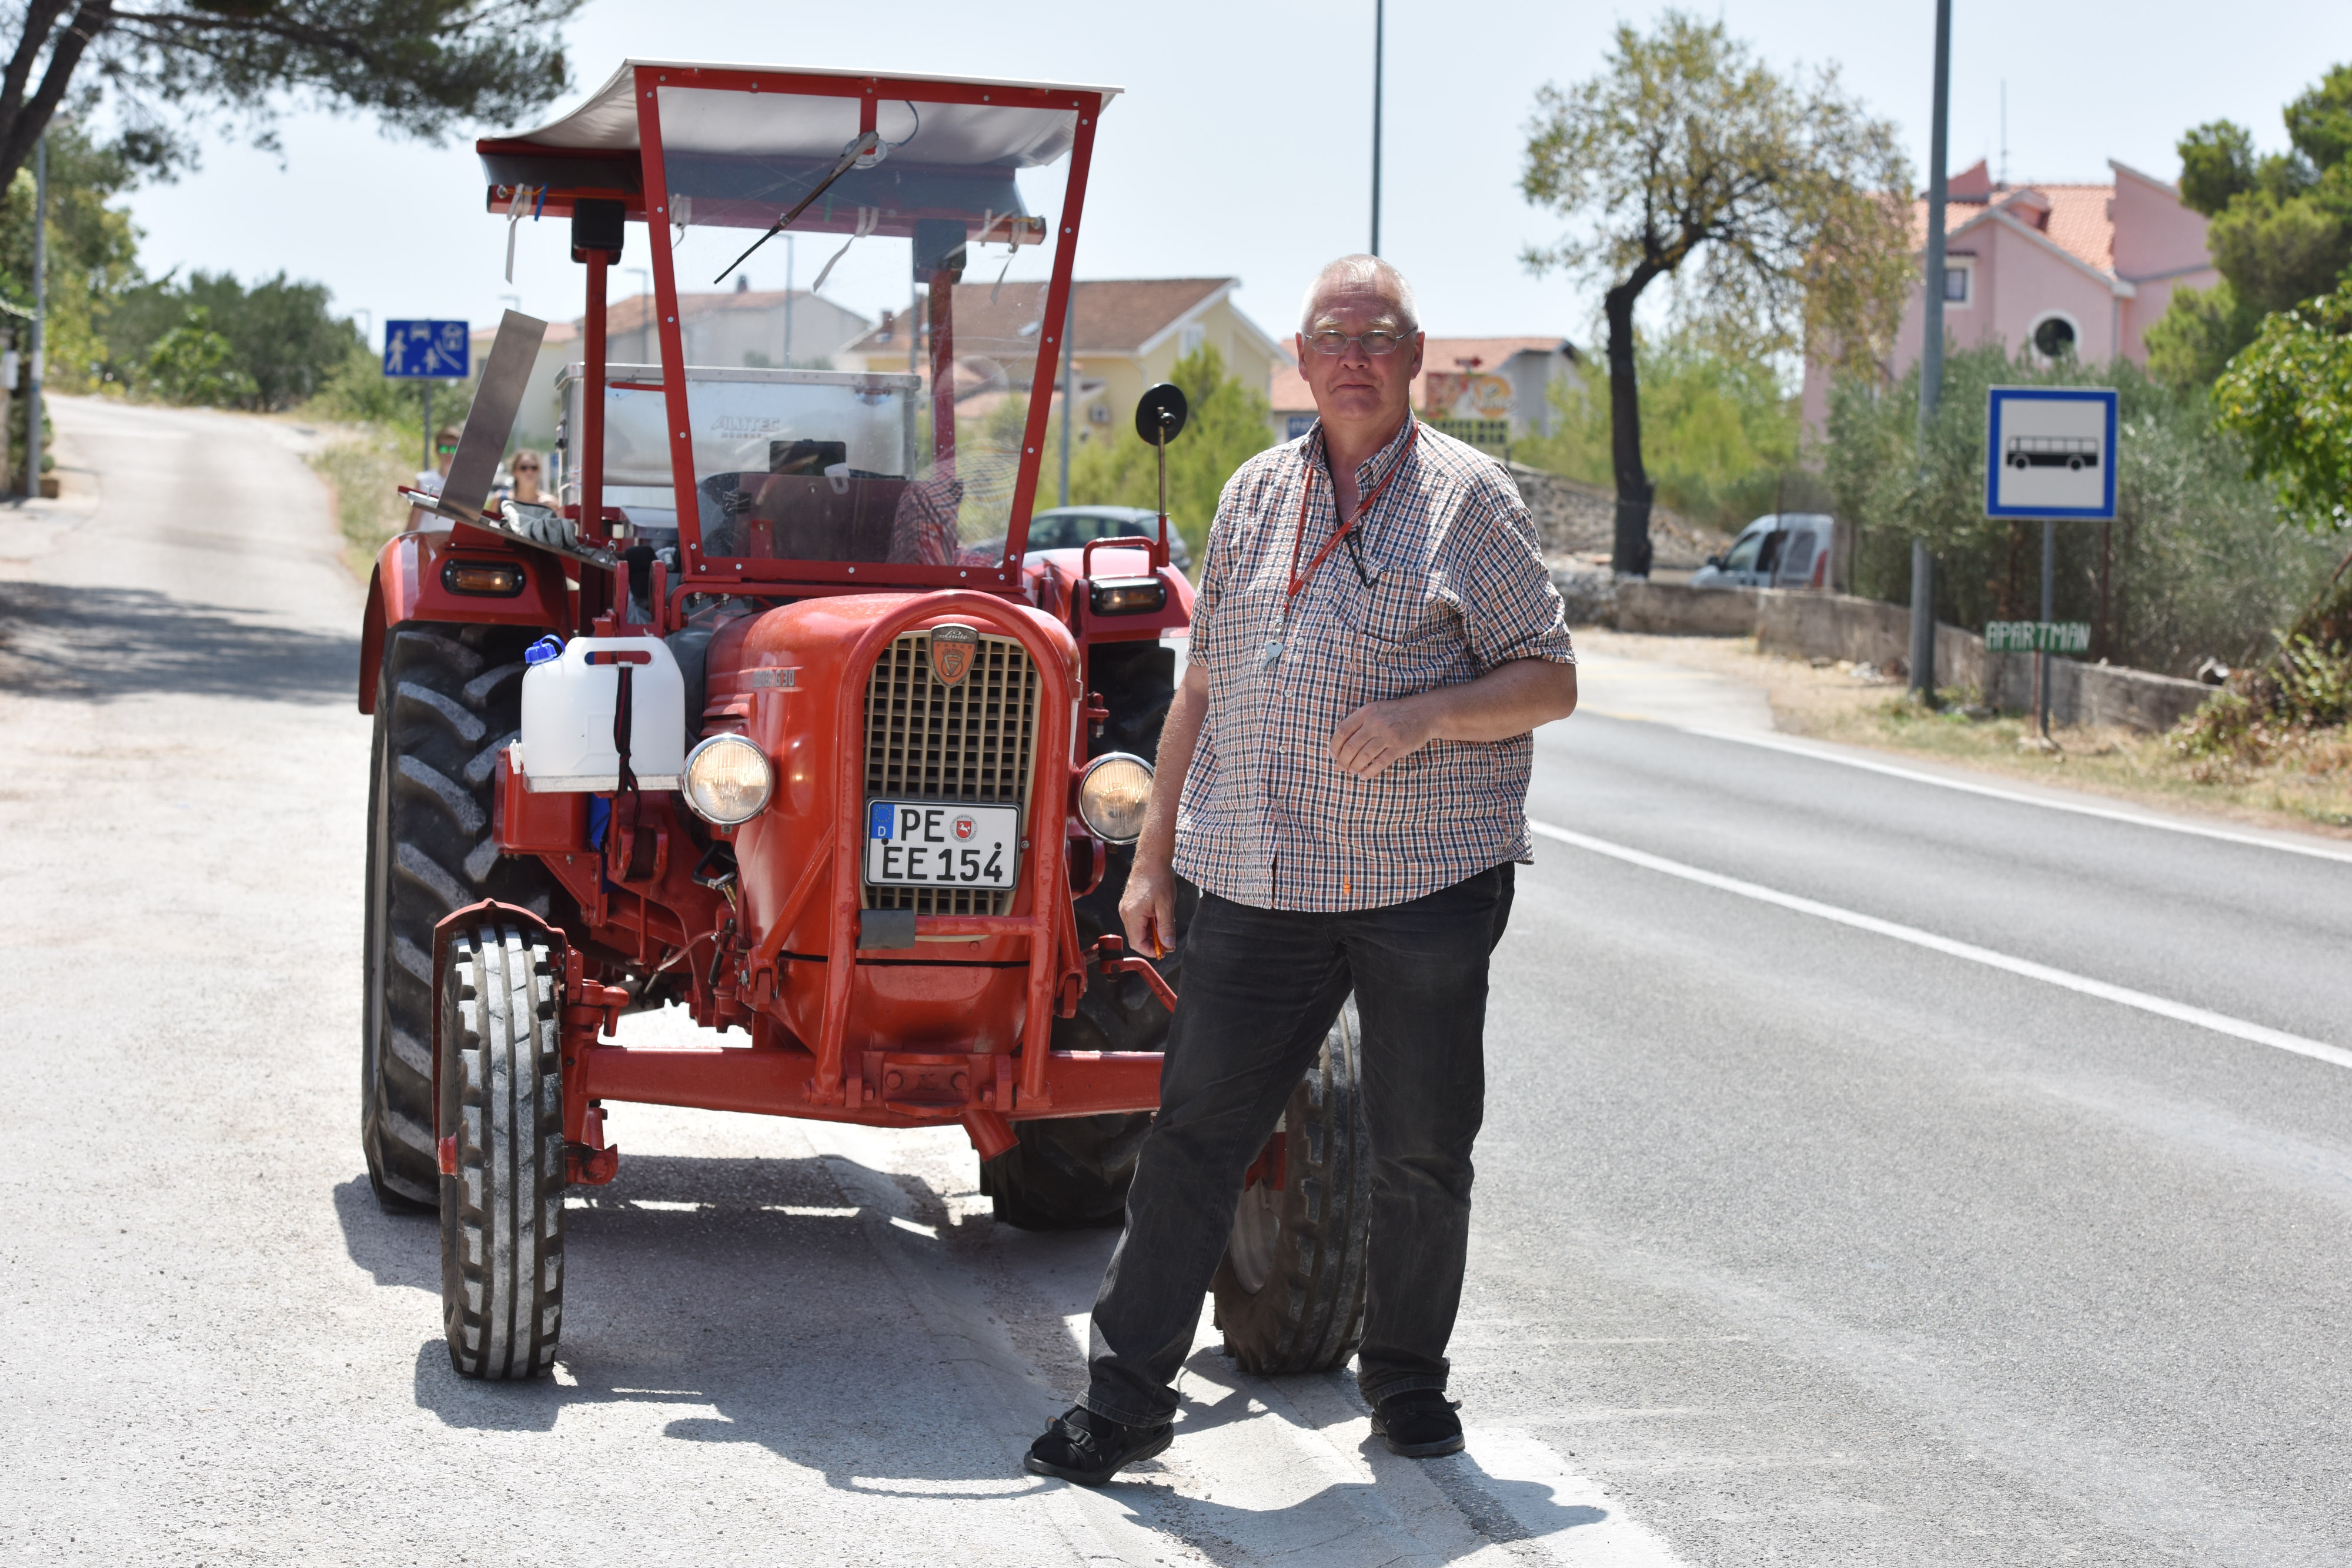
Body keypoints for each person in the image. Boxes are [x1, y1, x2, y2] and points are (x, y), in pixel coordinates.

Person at [1023, 255, 1580, 1486]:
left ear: (1413, 354)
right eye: (1332, 335)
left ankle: (1405, 1384)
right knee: (1190, 1136)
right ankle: (1122, 1401)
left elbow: (1549, 677)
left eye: (1376, 336)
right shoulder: (1251, 492)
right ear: (1301, 354)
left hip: (1420, 883)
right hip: (1257, 878)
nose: (1353, 357)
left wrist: (1429, 713)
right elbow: (1202, 686)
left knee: (1420, 1145)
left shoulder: (1470, 502)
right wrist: (1151, 852)